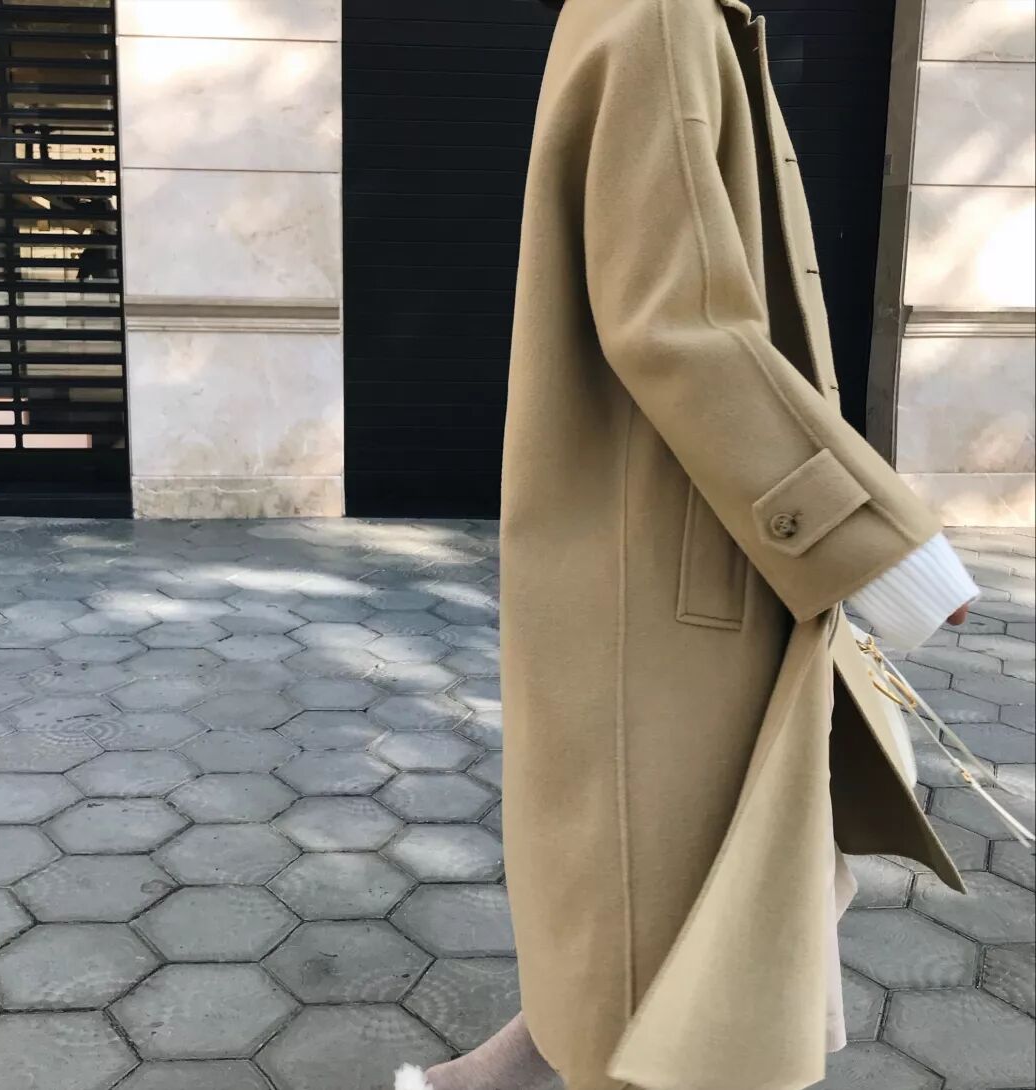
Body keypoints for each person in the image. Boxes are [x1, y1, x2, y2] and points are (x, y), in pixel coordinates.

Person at [395, 1, 978, 1088]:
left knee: (670, 908)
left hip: (673, 550)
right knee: (688, 921)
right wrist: (877, 546)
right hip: (686, 568)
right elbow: (676, 323)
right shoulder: (661, 13)